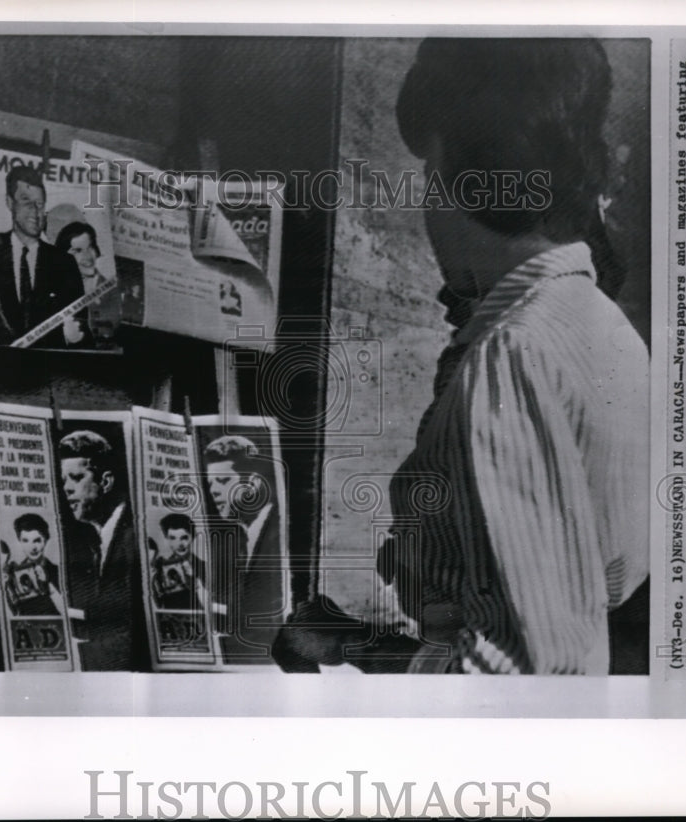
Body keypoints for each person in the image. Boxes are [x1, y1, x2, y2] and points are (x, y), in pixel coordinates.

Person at [278, 38, 650, 675]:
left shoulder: (514, 354)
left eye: (428, 174)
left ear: (462, 178)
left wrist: (349, 663)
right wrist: (358, 642)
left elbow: (519, 679)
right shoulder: (600, 327)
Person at [58, 429, 149, 671]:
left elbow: (132, 633)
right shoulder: (101, 538)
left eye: (76, 478)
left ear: (106, 482)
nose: (66, 489)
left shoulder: (133, 538)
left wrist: (79, 656)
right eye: (63, 480)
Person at [0, 166, 89, 348]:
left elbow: (79, 324)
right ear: (10, 202)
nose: (35, 211)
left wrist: (73, 336)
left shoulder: (64, 263)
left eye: (40, 204)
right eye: (26, 201)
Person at [202, 434, 285, 659]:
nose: (214, 492)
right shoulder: (234, 539)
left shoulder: (280, 533)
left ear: (253, 484)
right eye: (210, 484)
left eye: (222, 481)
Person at [54, 221, 121, 343]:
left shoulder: (114, 290)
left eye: (90, 247)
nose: (88, 256)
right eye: (78, 251)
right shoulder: (56, 293)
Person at [3, 513, 62, 617]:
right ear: (19, 541)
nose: (32, 547)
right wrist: (6, 589)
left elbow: (68, 610)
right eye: (25, 541)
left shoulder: (58, 572)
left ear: (46, 539)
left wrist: (47, 585)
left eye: (37, 540)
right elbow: (15, 613)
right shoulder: (14, 573)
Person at [151, 513, 204, 611]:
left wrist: (196, 577)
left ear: (193, 537)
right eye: (172, 538)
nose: (179, 544)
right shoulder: (160, 568)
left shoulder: (204, 567)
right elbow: (159, 606)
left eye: (184, 538)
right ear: (166, 539)